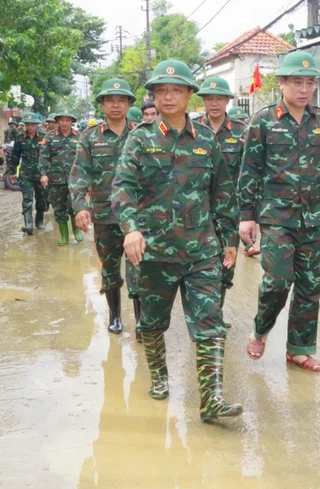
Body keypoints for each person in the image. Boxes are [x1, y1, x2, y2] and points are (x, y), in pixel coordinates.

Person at [113, 60, 242, 422]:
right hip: (153, 252)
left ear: (189, 96)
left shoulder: (206, 141)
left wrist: (228, 236)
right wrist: (131, 228)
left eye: (176, 90)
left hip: (201, 251)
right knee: (152, 322)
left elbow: (222, 192)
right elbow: (122, 187)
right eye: (161, 91)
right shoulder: (140, 138)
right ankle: (158, 374)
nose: (168, 96)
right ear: (154, 96)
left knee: (210, 323)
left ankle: (212, 398)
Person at [237, 50, 320, 373]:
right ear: (282, 83)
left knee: (311, 286)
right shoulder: (263, 121)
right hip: (277, 218)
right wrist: (247, 215)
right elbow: (250, 171)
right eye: (297, 82)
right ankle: (261, 329)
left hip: (312, 219)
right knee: (278, 281)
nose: (304, 89)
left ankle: (299, 349)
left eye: (309, 83)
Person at [70, 78, 136, 336]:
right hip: (105, 214)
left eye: (121, 100)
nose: (116, 105)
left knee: (139, 270)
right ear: (103, 105)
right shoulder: (90, 137)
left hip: (137, 217)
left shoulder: (142, 133)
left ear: (129, 103)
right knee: (110, 268)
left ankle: (142, 321)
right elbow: (79, 175)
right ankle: (115, 316)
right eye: (110, 100)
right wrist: (80, 207)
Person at [195, 76, 247, 314]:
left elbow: (250, 172)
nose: (214, 103)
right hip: (197, 210)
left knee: (227, 262)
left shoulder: (241, 131)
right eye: (209, 98)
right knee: (199, 264)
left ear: (227, 100)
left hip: (229, 210)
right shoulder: (193, 129)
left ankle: (216, 310)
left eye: (219, 98)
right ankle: (204, 315)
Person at [38, 108, 83, 246]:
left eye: (67, 120)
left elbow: (85, 157)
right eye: (62, 120)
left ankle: (76, 231)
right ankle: (64, 236)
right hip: (56, 179)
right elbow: (44, 156)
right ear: (57, 121)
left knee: (74, 206)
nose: (64, 123)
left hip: (75, 179)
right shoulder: (50, 137)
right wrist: (44, 174)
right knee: (59, 208)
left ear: (72, 122)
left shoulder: (79, 136)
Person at [8, 112, 49, 235]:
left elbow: (48, 156)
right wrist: (12, 171)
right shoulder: (20, 138)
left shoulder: (44, 137)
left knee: (41, 198)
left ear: (37, 125)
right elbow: (15, 156)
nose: (30, 127)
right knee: (27, 199)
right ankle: (28, 224)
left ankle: (39, 221)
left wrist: (47, 173)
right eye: (28, 125)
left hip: (41, 174)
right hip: (26, 174)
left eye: (32, 124)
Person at [229, 106, 260, 258]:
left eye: (242, 119)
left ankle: (248, 245)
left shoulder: (247, 132)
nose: (240, 122)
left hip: (238, 185)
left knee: (240, 217)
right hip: (223, 185)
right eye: (237, 119)